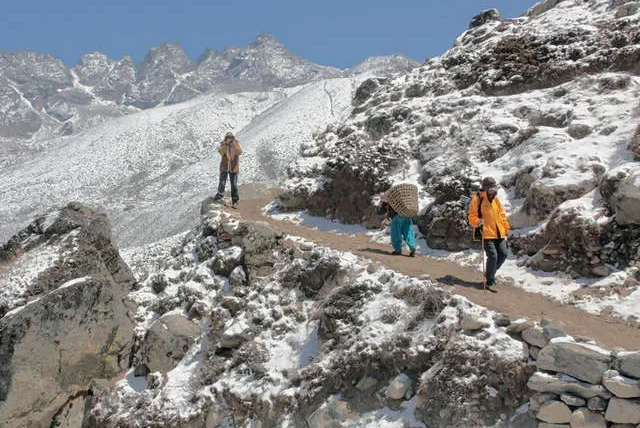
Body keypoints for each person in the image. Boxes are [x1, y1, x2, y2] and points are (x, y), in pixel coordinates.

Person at [467, 176, 511, 289]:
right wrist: (478, 221)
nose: (493, 191)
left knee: (504, 254)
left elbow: (502, 216)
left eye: (494, 188)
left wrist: (507, 228)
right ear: (485, 189)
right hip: (486, 233)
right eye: (490, 189)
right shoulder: (477, 199)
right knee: (493, 256)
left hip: (499, 233)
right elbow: (471, 216)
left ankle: (489, 274)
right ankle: (490, 281)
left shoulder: (496, 200)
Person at [213, 132, 243, 207]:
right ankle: (219, 196)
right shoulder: (223, 144)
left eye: (231, 138)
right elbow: (221, 152)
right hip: (224, 167)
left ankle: (235, 201)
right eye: (228, 138)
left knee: (234, 185)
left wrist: (234, 144)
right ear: (226, 138)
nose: (229, 139)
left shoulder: (236, 144)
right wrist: (226, 145)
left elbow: (239, 152)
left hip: (233, 168)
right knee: (222, 182)